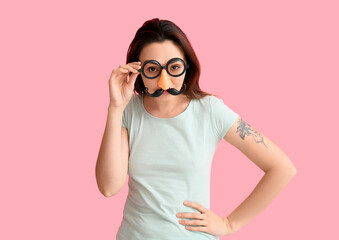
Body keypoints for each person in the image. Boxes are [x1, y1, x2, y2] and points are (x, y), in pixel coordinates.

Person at [95, 18, 297, 240]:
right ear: (137, 70)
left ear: (186, 66)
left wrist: (229, 224)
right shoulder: (127, 110)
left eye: (174, 68)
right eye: (152, 69)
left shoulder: (210, 111)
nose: (164, 82)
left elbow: (282, 168)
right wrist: (115, 108)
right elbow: (109, 187)